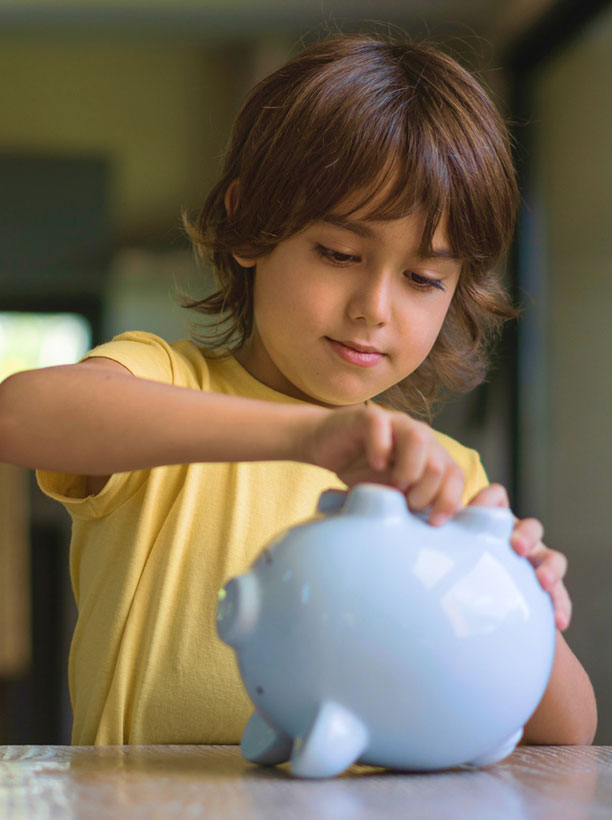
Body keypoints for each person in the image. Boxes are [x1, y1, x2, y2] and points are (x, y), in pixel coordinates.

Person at [0, 32, 596, 748]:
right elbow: (19, 414)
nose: (374, 307)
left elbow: (568, 736)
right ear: (250, 225)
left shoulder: (445, 480)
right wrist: (307, 437)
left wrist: (521, 598)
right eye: (339, 254)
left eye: (423, 278)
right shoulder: (166, 384)